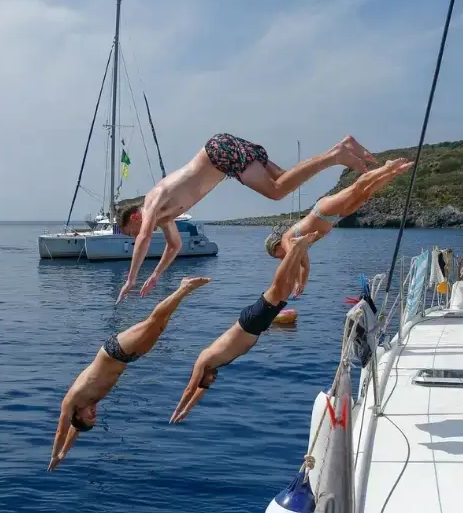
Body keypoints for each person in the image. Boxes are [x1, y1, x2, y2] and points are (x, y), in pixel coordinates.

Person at [114, 133, 377, 304]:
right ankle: (340, 149)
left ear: (135, 216)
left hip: (218, 154)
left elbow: (145, 237)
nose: (133, 236)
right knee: (285, 180)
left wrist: (131, 279)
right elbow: (175, 246)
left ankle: (336, 155)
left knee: (276, 191)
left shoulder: (152, 201)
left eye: (130, 231)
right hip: (223, 155)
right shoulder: (164, 216)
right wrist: (157, 274)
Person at [47, 276, 211, 472]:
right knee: (160, 326)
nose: (94, 413)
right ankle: (183, 291)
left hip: (113, 350)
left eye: (89, 417)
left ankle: (184, 288)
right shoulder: (88, 404)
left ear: (77, 415)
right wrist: (66, 453)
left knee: (153, 321)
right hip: (127, 358)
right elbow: (77, 429)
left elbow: (62, 430)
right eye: (94, 418)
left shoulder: (71, 401)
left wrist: (55, 455)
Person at [168, 232, 318, 424]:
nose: (212, 381)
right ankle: (298, 250)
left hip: (250, 322)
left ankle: (296, 248)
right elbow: (198, 393)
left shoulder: (203, 360)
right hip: (257, 326)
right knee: (285, 289)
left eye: (207, 381)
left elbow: (190, 390)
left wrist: (176, 412)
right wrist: (185, 414)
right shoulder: (212, 365)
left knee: (278, 287)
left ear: (200, 376)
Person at [263, 158, 415, 297]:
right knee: (365, 193)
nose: (280, 258)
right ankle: (395, 172)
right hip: (333, 218)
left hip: (322, 211)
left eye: (277, 255)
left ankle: (387, 167)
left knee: (356, 188)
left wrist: (291, 282)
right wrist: (301, 284)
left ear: (276, 246)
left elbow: (292, 265)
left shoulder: (286, 240)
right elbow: (305, 266)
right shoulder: (299, 248)